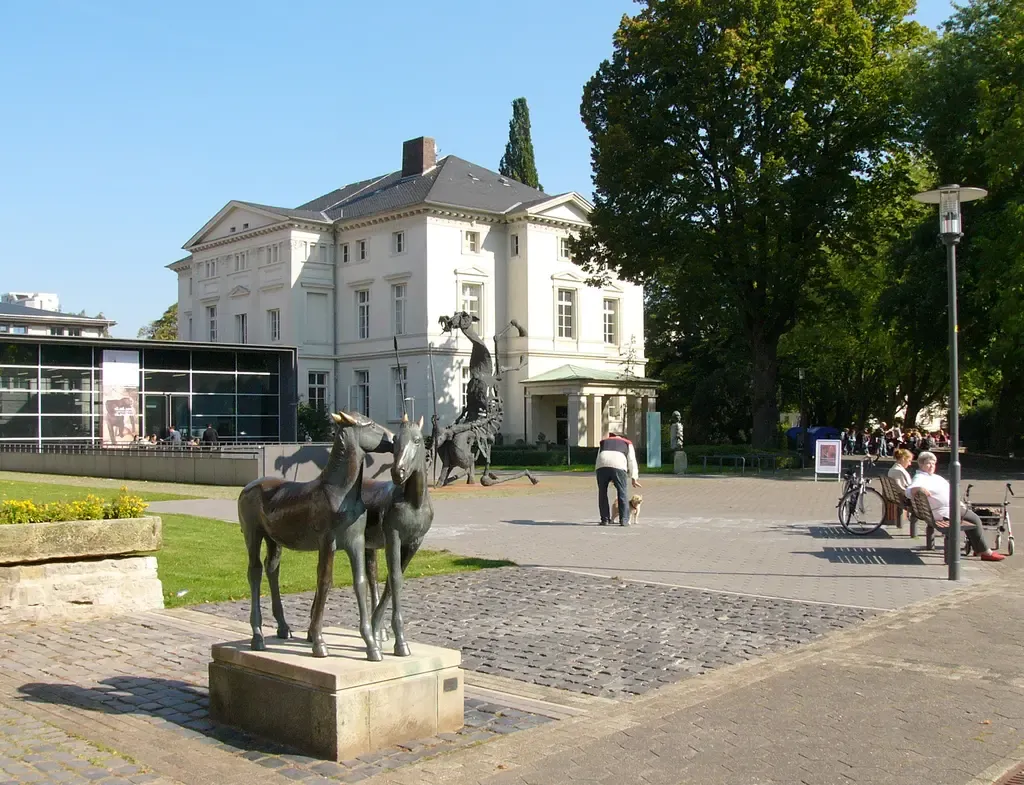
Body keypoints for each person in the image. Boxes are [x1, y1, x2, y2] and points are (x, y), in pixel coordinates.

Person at [906, 451, 1005, 562]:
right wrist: (919, 489)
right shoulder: (920, 477)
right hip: (942, 512)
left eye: (933, 463)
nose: (932, 466)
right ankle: (985, 552)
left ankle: (979, 548)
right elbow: (909, 490)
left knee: (971, 518)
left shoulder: (932, 477)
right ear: (921, 464)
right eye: (928, 463)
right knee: (975, 519)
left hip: (946, 509)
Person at [595, 431, 641, 526]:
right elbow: (632, 461)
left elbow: (598, 457)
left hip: (601, 466)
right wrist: (634, 477)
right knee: (622, 492)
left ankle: (605, 519)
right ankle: (624, 520)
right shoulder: (627, 443)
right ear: (622, 437)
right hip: (618, 466)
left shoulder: (603, 442)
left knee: (602, 492)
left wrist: (599, 473)